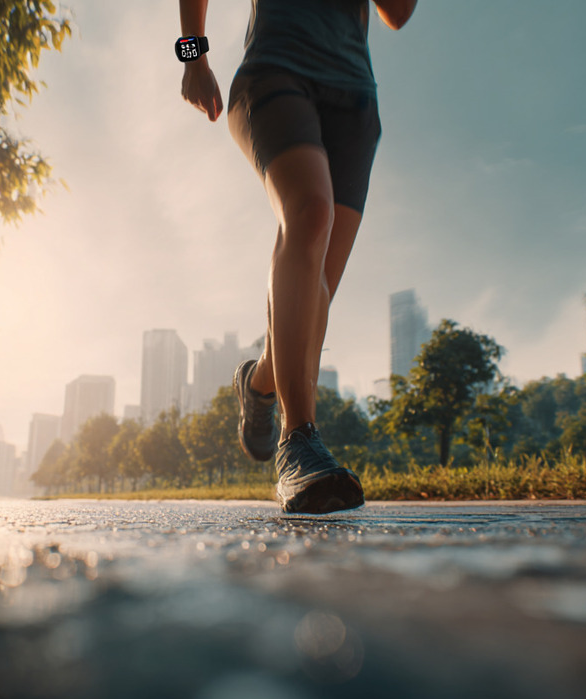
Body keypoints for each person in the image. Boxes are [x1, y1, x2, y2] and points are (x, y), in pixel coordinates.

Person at [178, 0, 416, 514]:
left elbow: (398, 13)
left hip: (353, 98)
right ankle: (299, 440)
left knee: (319, 290)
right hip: (273, 72)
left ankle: (259, 381)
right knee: (309, 213)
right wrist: (192, 57)